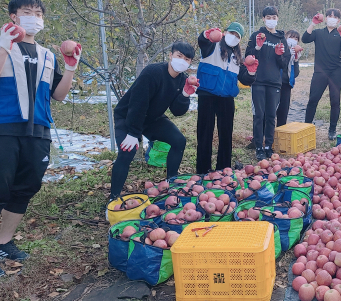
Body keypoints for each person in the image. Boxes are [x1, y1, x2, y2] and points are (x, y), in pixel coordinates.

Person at [0, 0, 76, 281]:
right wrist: (5, 48)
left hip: (38, 132)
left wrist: (69, 68)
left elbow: (58, 95)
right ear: (13, 17)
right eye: (26, 12)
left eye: (38, 13)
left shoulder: (47, 54)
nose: (33, 17)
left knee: (25, 189)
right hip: (3, 130)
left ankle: (3, 243)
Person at [110, 41, 197, 199]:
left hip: (152, 118)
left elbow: (177, 111)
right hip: (128, 116)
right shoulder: (153, 72)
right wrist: (133, 132)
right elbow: (137, 103)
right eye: (179, 56)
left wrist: (185, 94)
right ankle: (113, 196)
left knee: (179, 141)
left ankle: (172, 183)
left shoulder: (181, 80)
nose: (182, 61)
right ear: (170, 56)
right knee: (127, 152)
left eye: (187, 59)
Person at [196, 22, 258, 174]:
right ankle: (203, 170)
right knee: (205, 133)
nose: (234, 37)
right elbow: (202, 41)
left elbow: (245, 79)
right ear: (225, 33)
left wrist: (251, 71)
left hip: (226, 98)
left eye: (237, 36)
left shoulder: (238, 57)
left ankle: (223, 168)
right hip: (207, 94)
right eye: (232, 33)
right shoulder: (213, 46)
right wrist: (207, 34)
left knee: (226, 134)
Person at [245, 6, 291, 160]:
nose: (271, 20)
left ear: (277, 19)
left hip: (274, 83)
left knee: (271, 116)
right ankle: (258, 147)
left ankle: (268, 146)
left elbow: (284, 64)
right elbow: (248, 57)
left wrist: (279, 56)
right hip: (258, 81)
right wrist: (257, 47)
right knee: (259, 115)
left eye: (274, 17)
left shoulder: (281, 38)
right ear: (263, 18)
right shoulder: (256, 35)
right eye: (268, 17)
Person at [303, 8, 341, 140]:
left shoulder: (340, 33)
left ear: (338, 20)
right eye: (329, 15)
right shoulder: (318, 33)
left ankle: (332, 130)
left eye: (334, 16)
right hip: (320, 71)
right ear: (326, 18)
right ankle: (307, 127)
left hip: (336, 71)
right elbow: (305, 38)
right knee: (313, 99)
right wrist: (313, 23)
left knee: (335, 101)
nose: (331, 18)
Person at [277, 29, 302, 127]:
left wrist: (296, 60)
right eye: (291, 37)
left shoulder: (294, 54)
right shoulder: (280, 49)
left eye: (296, 38)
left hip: (287, 85)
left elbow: (295, 74)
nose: (293, 40)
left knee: (283, 111)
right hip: (276, 83)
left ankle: (280, 132)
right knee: (271, 110)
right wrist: (287, 54)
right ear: (286, 37)